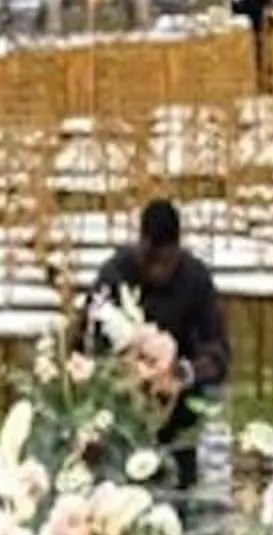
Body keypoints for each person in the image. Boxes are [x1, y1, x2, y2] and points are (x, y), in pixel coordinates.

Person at [86, 198, 230, 489]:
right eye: (150, 261)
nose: (157, 272)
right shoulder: (115, 274)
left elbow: (219, 353)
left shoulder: (196, 280)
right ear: (141, 245)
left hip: (179, 411)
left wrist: (183, 372)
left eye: (165, 262)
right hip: (120, 413)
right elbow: (86, 342)